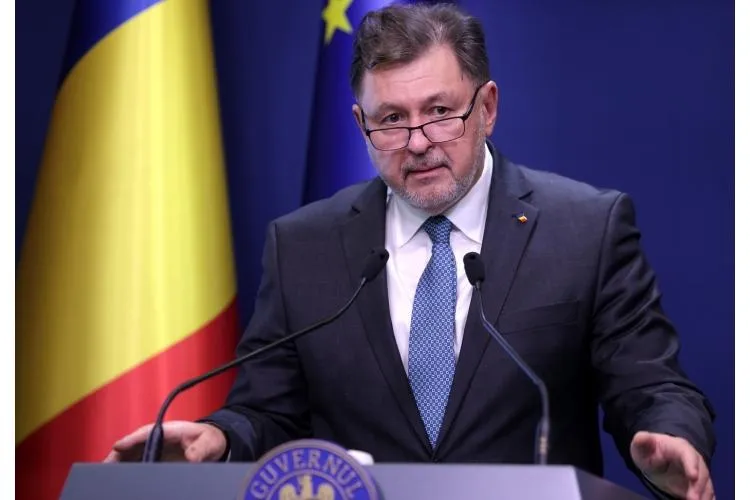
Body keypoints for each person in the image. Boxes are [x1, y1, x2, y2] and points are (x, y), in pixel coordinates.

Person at [106, 3, 716, 499]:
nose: (418, 142)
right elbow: (269, 412)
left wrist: (670, 437)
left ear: (487, 108)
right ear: (360, 124)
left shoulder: (584, 228)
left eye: (441, 112)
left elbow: (651, 386)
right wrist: (220, 439)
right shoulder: (302, 246)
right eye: (392, 119)